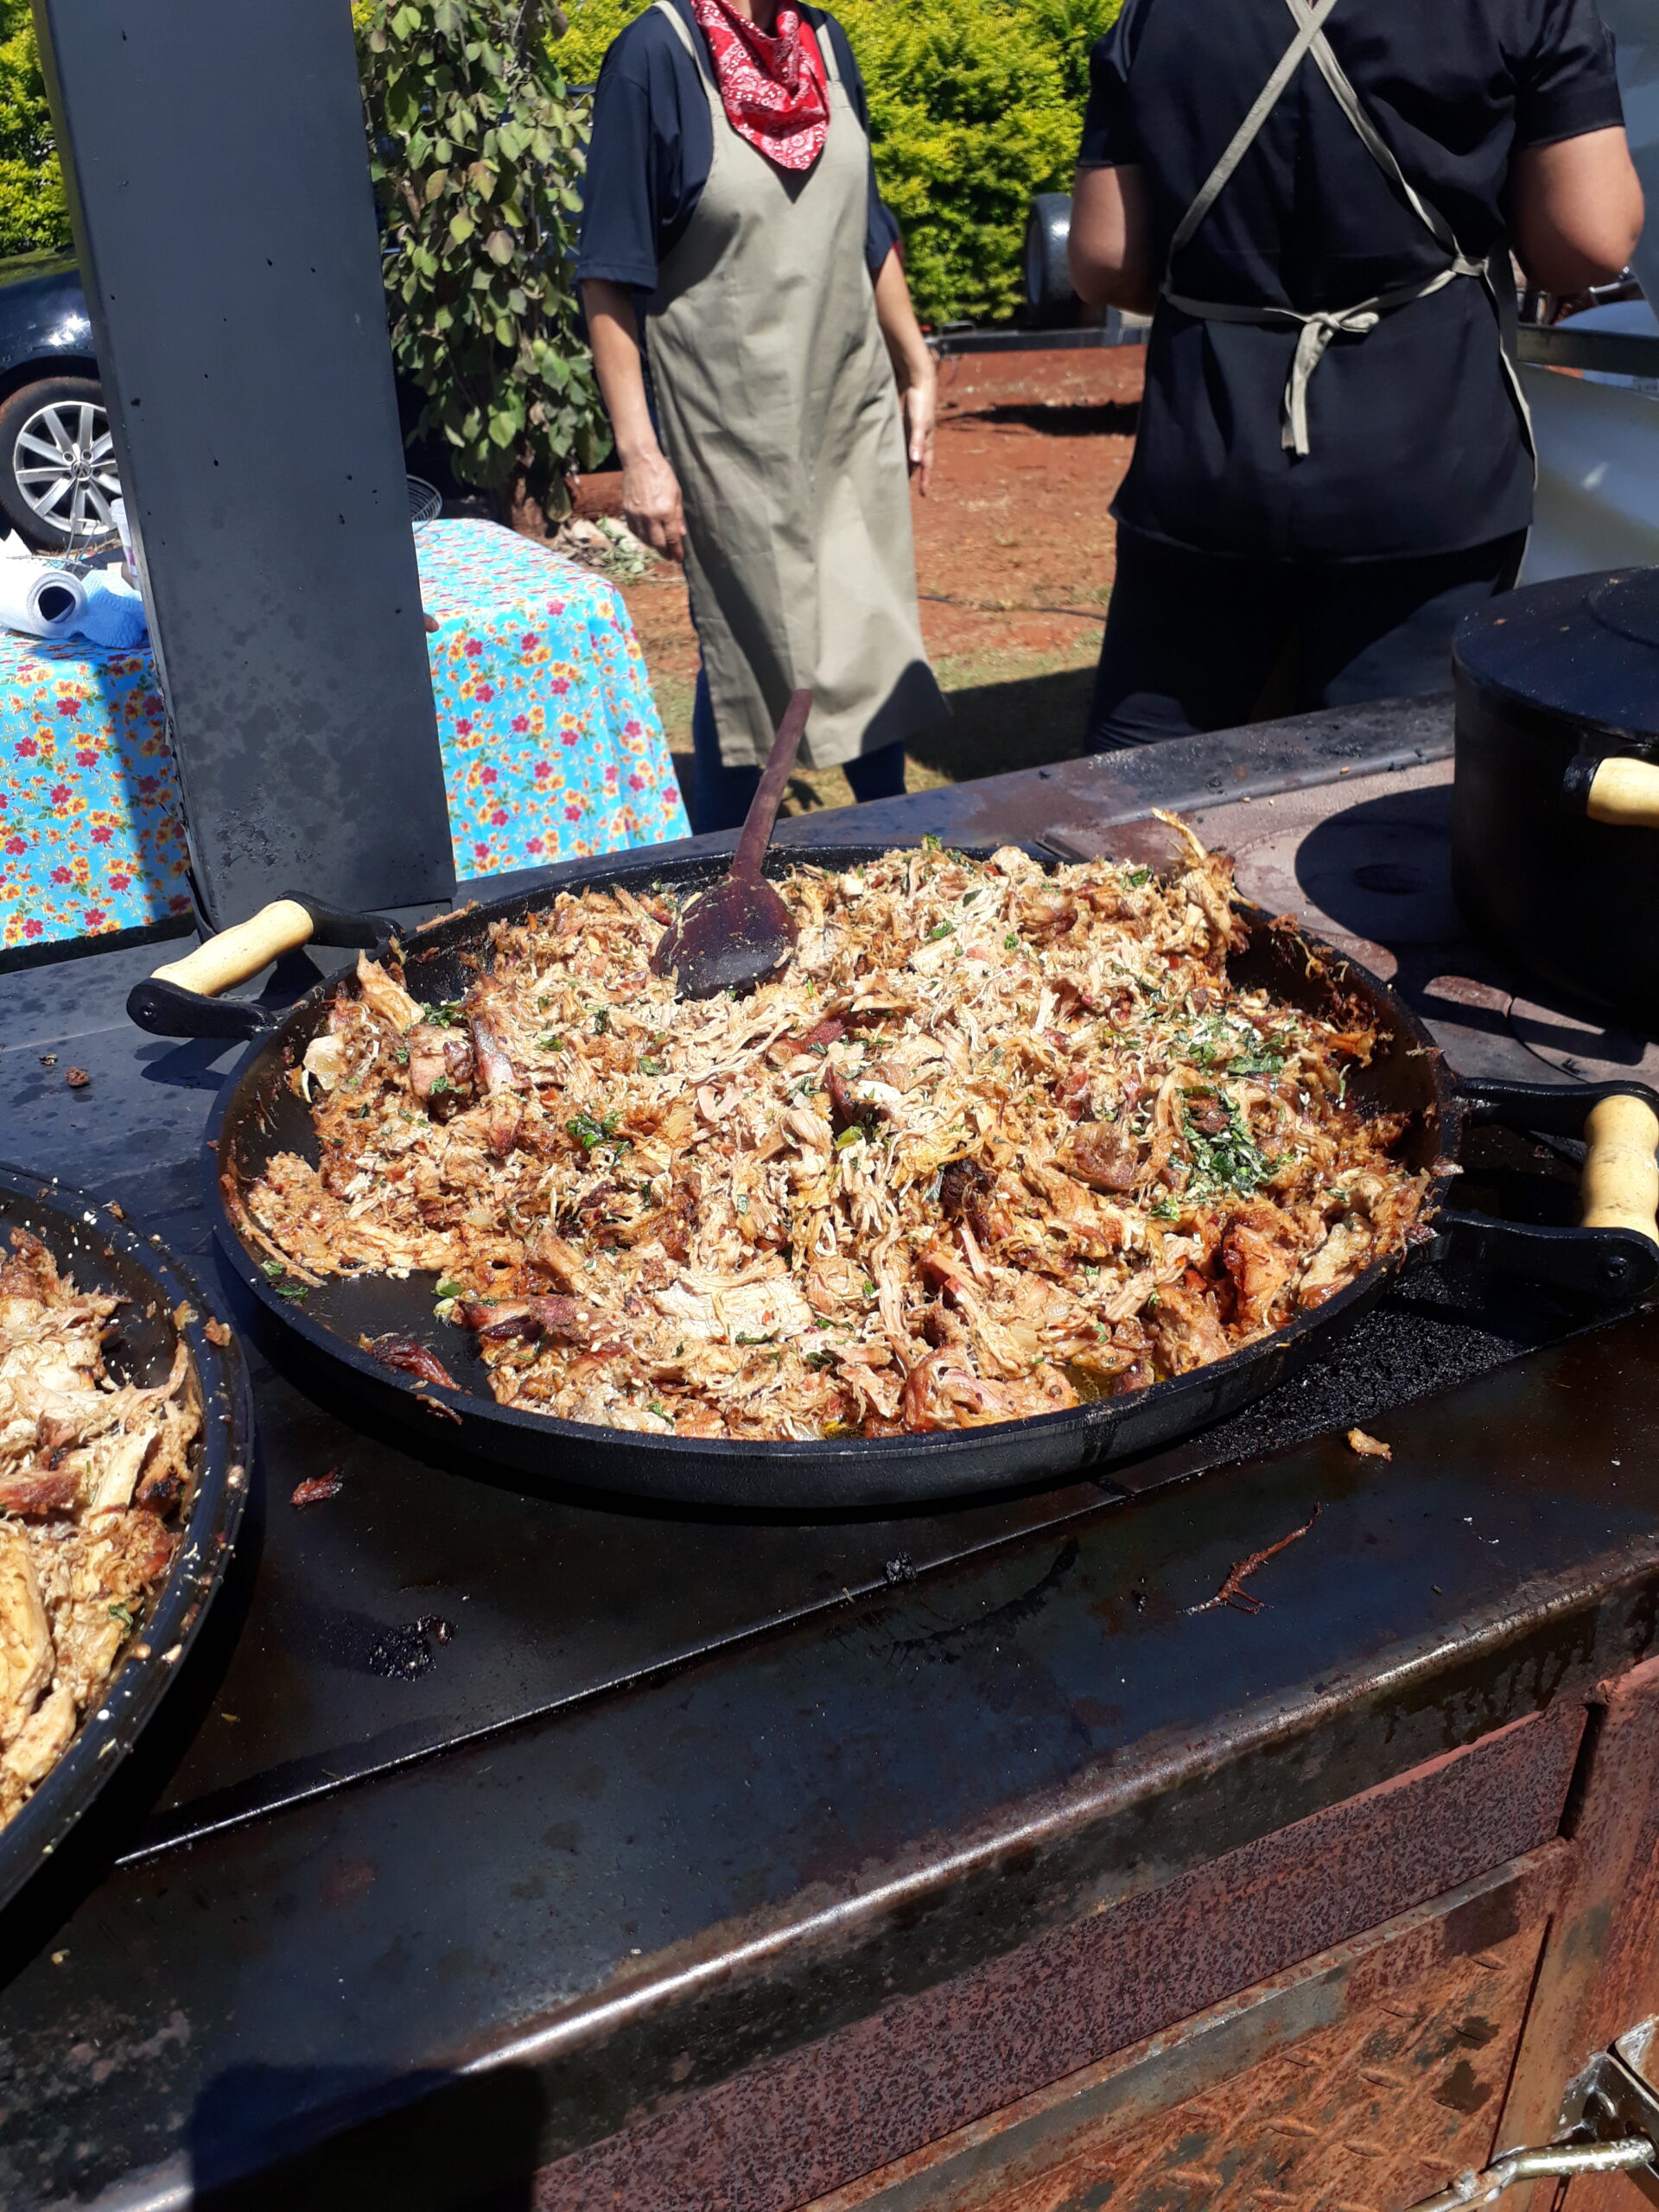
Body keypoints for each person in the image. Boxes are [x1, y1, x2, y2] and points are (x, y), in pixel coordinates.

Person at [1067, 0, 1645, 747]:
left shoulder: (1156, 10)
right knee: (1378, 803)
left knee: (1136, 788)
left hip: (1205, 461)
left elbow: (1105, 259)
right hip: (1429, 463)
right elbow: (1588, 243)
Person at [577, 0, 947, 830]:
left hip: (847, 403)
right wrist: (640, 453)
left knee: (869, 624)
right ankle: (728, 879)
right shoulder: (654, 57)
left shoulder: (822, 40)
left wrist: (915, 365)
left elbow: (868, 226)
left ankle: (893, 844)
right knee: (754, 653)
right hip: (731, 424)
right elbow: (609, 271)